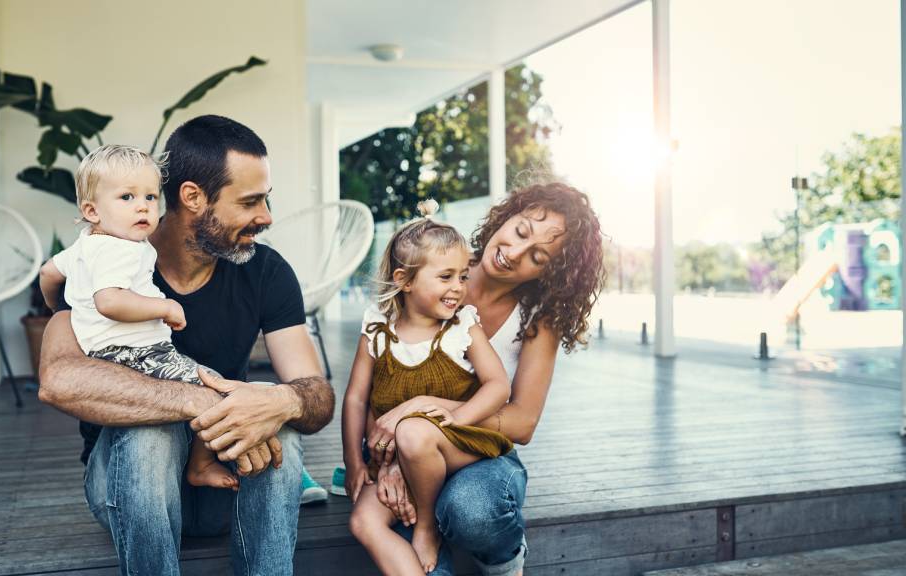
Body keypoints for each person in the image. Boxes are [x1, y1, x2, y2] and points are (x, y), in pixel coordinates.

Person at [38, 115, 335, 576]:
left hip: (225, 487)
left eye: (266, 199)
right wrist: (200, 400)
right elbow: (59, 380)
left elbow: (316, 393)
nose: (266, 217)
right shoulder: (103, 259)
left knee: (275, 414)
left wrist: (281, 401)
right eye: (250, 201)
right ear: (193, 197)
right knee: (151, 432)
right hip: (127, 490)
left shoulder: (266, 271)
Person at [363, 182, 604, 576]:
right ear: (506, 216)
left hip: (482, 453)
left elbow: (522, 423)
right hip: (409, 447)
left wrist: (425, 409)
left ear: (551, 272)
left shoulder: (537, 319)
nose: (515, 252)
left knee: (471, 508)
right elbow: (376, 381)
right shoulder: (433, 264)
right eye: (521, 231)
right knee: (404, 538)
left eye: (537, 257)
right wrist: (390, 461)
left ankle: (506, 564)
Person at [39, 144, 239, 491]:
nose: (143, 206)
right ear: (91, 210)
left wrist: (55, 305)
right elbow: (109, 301)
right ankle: (201, 464)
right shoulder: (122, 249)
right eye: (127, 197)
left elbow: (47, 273)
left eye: (150, 196)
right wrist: (165, 307)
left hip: (103, 356)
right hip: (138, 354)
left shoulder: (85, 244)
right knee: (216, 387)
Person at [343, 200, 514, 574]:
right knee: (364, 522)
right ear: (404, 280)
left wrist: (458, 418)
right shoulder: (377, 330)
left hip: (459, 444)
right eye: (446, 276)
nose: (458, 288)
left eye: (462, 277)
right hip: (399, 454)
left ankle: (426, 526)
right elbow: (356, 398)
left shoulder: (462, 328)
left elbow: (498, 385)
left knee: (414, 432)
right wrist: (354, 461)